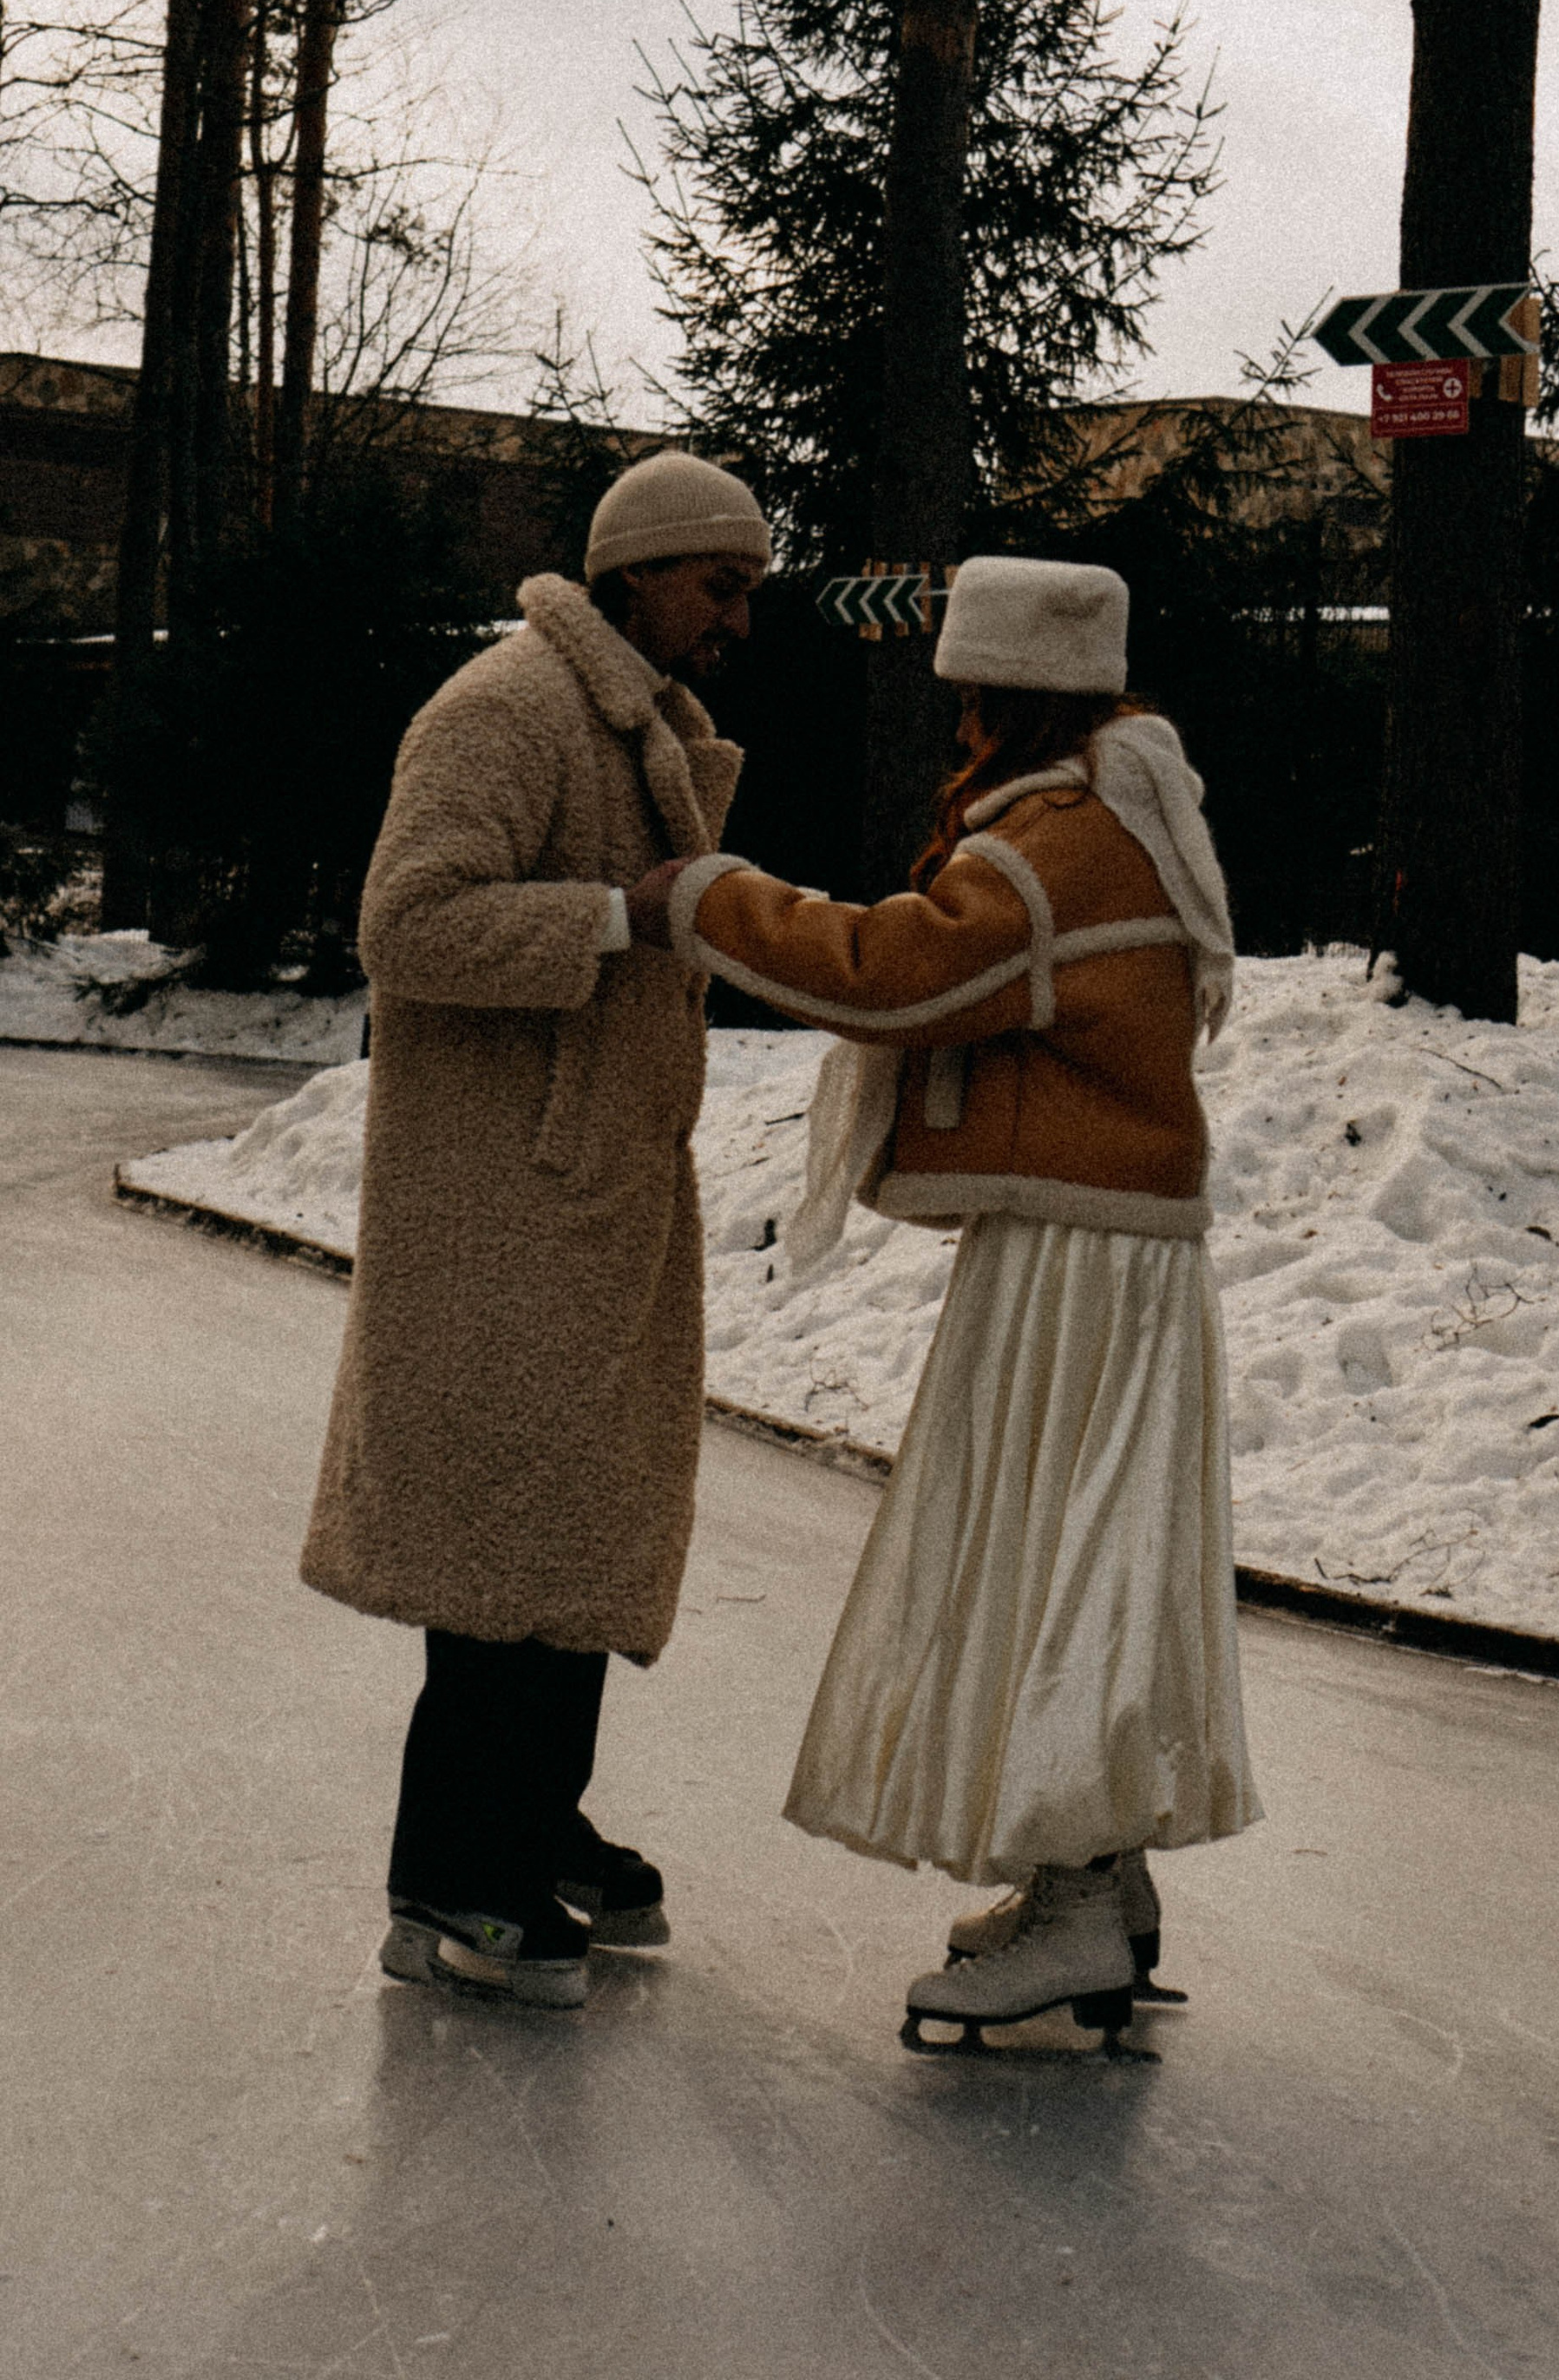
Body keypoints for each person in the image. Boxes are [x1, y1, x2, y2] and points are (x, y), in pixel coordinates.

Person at [636, 554, 1260, 2055]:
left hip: (1076, 1262)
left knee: (1045, 1563)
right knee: (1084, 1560)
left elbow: (891, 975)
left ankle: (1074, 1902)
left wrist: (708, 898)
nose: (959, 731)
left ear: (1008, 694)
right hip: (1111, 1251)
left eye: (972, 700)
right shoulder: (1129, 809)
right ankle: (1099, 1882)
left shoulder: (1056, 847)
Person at [299, 447, 770, 2010]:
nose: (739, 621)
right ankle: (451, 1877)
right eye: (723, 586)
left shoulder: (629, 725)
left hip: (588, 1202)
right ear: (639, 573)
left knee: (570, 1532)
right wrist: (617, 918)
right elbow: (405, 923)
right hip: (499, 1209)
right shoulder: (506, 710)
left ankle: (530, 1824)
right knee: (500, 1544)